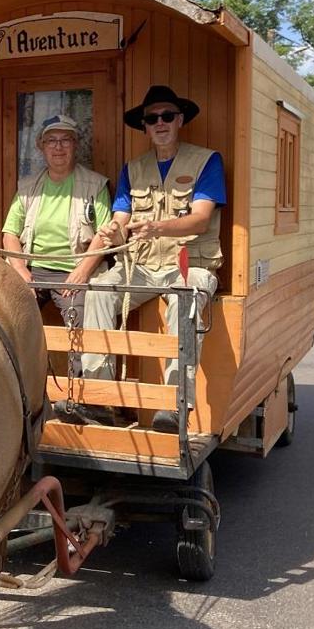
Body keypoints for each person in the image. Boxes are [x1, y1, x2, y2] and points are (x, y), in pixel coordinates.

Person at [80, 85, 227, 431]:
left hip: (190, 266)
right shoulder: (132, 169)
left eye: (167, 116)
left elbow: (202, 217)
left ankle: (176, 404)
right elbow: (121, 218)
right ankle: (99, 397)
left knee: (186, 297)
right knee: (99, 289)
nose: (160, 123)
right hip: (142, 267)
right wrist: (112, 232)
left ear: (180, 121)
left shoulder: (207, 161)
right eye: (152, 118)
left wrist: (158, 227)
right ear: (144, 127)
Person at [2, 113, 112, 385]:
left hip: (74, 269)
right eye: (51, 140)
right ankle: (17, 390)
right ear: (41, 147)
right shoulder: (28, 187)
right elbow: (9, 234)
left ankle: (79, 395)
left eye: (65, 140)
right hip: (34, 269)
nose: (58, 147)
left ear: (76, 145)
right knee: (7, 315)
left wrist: (82, 272)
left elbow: (105, 235)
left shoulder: (96, 184)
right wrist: (20, 270)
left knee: (81, 323)